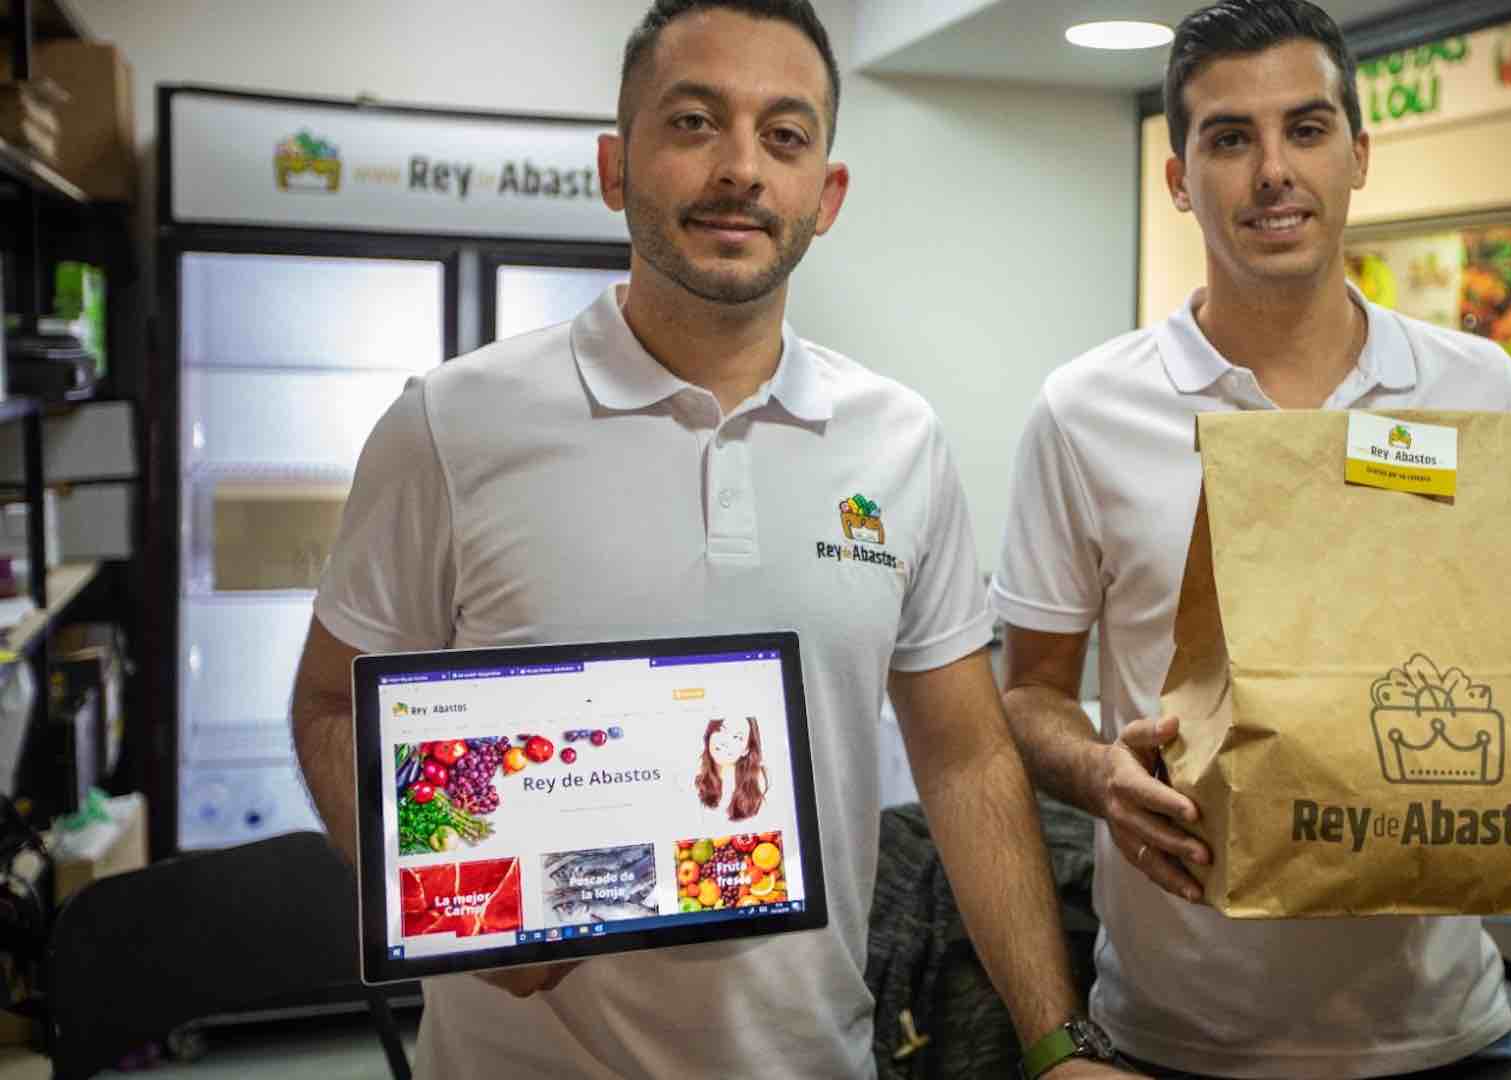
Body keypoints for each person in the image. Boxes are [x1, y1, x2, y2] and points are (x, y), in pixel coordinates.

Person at [289, 3, 1127, 1076]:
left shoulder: (899, 440)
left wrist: (1059, 1042)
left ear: (825, 194)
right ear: (614, 166)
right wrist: (437, 892)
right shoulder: (451, 423)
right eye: (693, 123)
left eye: (784, 136)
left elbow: (964, 757)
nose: (741, 169)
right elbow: (327, 703)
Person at [990, 3, 1511, 1077]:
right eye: (1230, 138)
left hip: (1452, 1036)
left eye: (1306, 128)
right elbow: (1028, 695)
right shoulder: (1084, 411)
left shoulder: (1481, 390)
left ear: (1359, 155)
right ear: (1179, 178)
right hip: (1179, 1038)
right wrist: (1105, 773)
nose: (1272, 171)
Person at [696, 715, 769, 821]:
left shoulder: (761, 781)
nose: (725, 742)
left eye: (737, 737)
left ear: (746, 749)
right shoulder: (694, 781)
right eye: (721, 730)